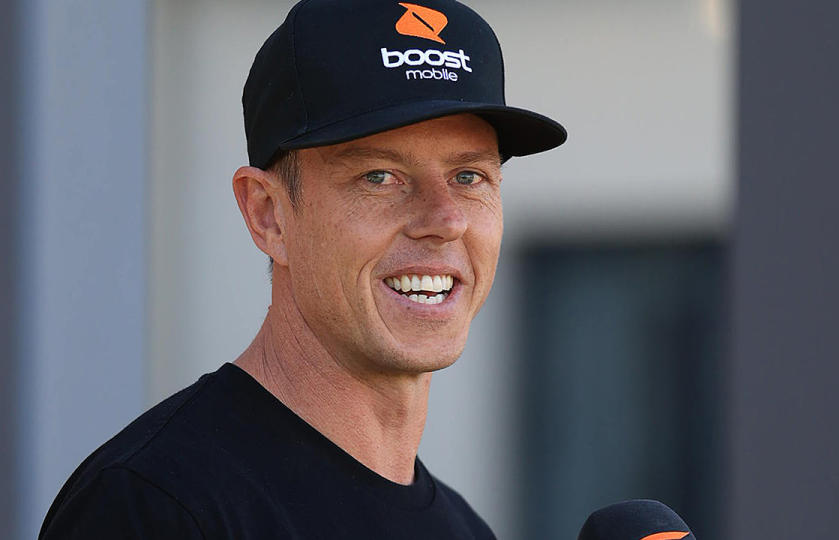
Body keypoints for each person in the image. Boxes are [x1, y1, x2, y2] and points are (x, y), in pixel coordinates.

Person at [39, 0, 565, 538]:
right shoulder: (157, 507)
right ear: (268, 214)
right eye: (380, 177)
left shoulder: (464, 530)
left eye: (470, 177)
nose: (446, 220)